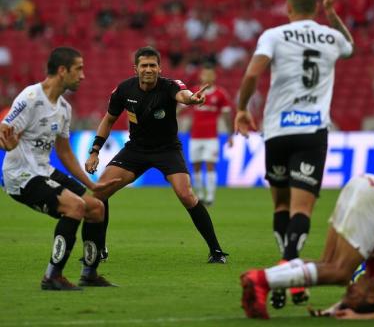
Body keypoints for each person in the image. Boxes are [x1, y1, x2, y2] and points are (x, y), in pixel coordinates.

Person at [235, 0, 354, 306]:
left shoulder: (273, 35)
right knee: (302, 210)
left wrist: (242, 109)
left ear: (287, 7)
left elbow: (252, 74)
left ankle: (285, 273)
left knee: (281, 206)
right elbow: (350, 46)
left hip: (276, 132)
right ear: (316, 7)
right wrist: (332, 14)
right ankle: (290, 274)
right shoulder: (330, 35)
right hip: (312, 132)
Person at [85, 46, 228, 263]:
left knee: (186, 194)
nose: (149, 69)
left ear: (160, 68)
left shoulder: (169, 86)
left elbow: (183, 94)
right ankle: (99, 249)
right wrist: (94, 151)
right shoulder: (124, 90)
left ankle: (216, 251)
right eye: (144, 65)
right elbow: (108, 120)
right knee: (101, 191)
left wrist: (193, 99)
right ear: (136, 68)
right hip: (136, 149)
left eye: (153, 65)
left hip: (167, 149)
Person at [0, 47, 119, 290]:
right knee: (74, 207)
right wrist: (7, 142)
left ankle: (89, 273)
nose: (83, 76)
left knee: (96, 207)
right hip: (20, 175)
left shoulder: (64, 108)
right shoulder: (31, 97)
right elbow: (5, 129)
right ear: (62, 71)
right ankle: (52, 276)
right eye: (79, 69)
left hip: (43, 170)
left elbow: (64, 152)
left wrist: (91, 184)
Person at [240, 173, 374, 320]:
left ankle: (261, 275)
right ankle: (262, 280)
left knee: (327, 263)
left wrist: (333, 311)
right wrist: (358, 318)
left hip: (362, 184)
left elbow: (354, 299)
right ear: (371, 297)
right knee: (340, 273)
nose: (350, 289)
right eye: (352, 295)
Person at [188, 65, 233, 206]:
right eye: (205, 74)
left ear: (214, 77)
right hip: (195, 136)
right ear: (201, 76)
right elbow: (181, 107)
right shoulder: (194, 91)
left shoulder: (220, 94)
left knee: (210, 165)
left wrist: (230, 135)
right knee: (195, 166)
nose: (207, 77)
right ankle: (200, 195)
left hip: (211, 137)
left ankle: (210, 197)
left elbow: (226, 115)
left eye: (210, 74)